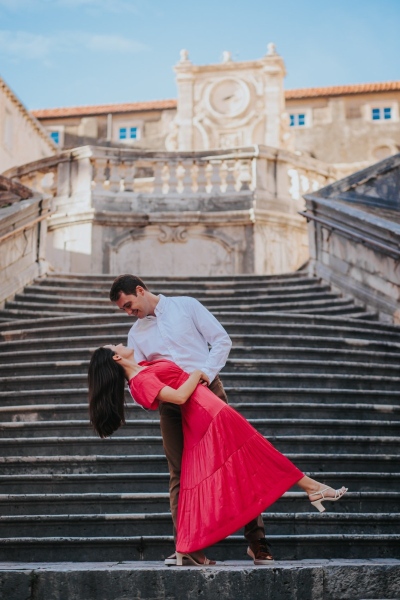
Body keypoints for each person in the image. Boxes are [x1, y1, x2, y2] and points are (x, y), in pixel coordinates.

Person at [88, 344, 348, 566]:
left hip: (210, 409)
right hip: (207, 414)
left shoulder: (144, 366)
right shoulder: (139, 383)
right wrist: (198, 373)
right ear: (117, 358)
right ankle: (311, 487)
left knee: (252, 456)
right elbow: (178, 397)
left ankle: (190, 546)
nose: (120, 343)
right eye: (115, 346)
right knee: (257, 453)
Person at [109, 274, 271, 565]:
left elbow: (221, 340)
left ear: (140, 290)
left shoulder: (186, 306)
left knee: (235, 462)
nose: (129, 312)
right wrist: (162, 395)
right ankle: (186, 546)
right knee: (179, 473)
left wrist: (206, 373)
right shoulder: (136, 335)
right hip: (173, 406)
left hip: (208, 392)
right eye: (124, 310)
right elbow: (139, 379)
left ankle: (257, 541)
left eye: (130, 305)